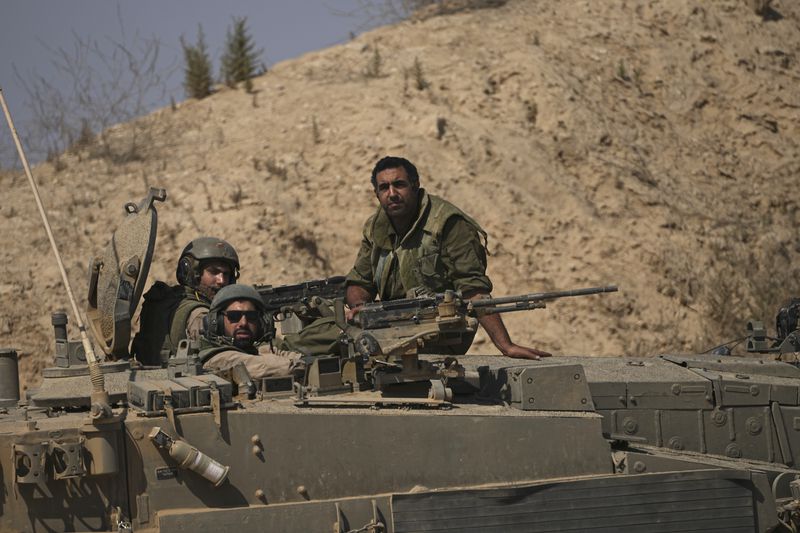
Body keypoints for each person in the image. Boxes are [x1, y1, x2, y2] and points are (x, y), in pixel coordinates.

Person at [283, 156, 550, 360]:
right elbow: (360, 281)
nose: (392, 193)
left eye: (399, 185)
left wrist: (505, 345)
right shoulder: (376, 226)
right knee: (316, 335)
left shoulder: (448, 224)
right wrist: (361, 307)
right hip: (390, 322)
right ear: (376, 193)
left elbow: (474, 290)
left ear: (415, 185)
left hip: (440, 329)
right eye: (384, 187)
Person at [131, 237, 240, 364]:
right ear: (191, 272)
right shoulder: (198, 313)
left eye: (226, 274)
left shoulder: (167, 298)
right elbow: (223, 357)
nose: (221, 280)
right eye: (214, 272)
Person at [199, 284, 299, 378]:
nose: (244, 323)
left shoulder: (253, 350)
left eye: (251, 316)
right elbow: (284, 368)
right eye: (234, 316)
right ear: (216, 322)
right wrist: (301, 364)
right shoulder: (218, 358)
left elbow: (288, 356)